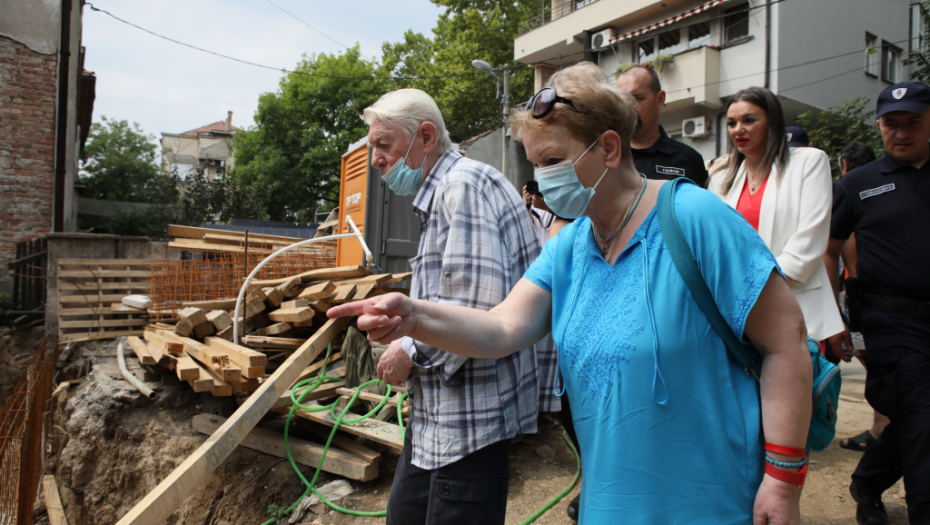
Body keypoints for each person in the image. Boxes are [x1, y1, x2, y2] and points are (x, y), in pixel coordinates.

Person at [335, 63, 813, 524]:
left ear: (608, 148)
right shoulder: (570, 246)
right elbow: (501, 328)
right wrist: (415, 317)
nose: (543, 179)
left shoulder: (695, 218)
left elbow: (785, 343)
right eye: (535, 164)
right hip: (609, 502)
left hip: (708, 501)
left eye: (554, 161)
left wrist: (783, 479)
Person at [362, 88, 556, 525]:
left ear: (425, 137)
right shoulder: (450, 189)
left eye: (383, 144)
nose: (375, 159)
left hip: (469, 419)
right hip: (441, 418)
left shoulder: (461, 186)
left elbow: (475, 308)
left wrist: (405, 350)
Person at [825, 81, 930, 525]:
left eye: (913, 123)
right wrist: (834, 318)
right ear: (880, 125)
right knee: (923, 416)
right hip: (889, 322)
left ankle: (867, 481)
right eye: (891, 124)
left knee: (916, 420)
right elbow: (828, 251)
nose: (901, 133)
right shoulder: (857, 184)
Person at [708, 87, 845, 349]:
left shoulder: (809, 161)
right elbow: (716, 243)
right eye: (732, 123)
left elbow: (809, 240)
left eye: (749, 120)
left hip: (796, 303)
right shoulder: (721, 177)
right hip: (736, 308)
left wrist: (755, 286)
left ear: (773, 122)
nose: (738, 130)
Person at [826, 142, 888, 452]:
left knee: (875, 364)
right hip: (874, 296)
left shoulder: (849, 193)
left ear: (844, 165)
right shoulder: (888, 187)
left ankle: (882, 429)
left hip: (863, 297)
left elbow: (842, 252)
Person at [616, 65, 709, 187]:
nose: (628, 107)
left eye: (637, 98)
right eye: (621, 100)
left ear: (660, 99)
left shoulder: (688, 159)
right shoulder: (607, 155)